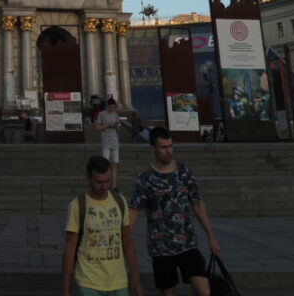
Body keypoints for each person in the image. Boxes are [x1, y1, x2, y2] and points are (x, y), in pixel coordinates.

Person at [128, 127, 219, 296]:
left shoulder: (184, 172)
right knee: (168, 292)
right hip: (160, 247)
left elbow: (197, 204)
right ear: (152, 148)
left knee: (204, 290)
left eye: (170, 146)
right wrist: (125, 238)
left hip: (187, 244)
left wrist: (211, 236)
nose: (168, 151)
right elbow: (133, 210)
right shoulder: (144, 179)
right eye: (163, 147)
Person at [61, 154, 143, 296]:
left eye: (108, 181)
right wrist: (65, 289)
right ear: (89, 179)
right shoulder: (77, 205)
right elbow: (70, 247)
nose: (104, 186)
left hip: (118, 281)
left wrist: (135, 277)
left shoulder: (120, 201)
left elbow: (127, 240)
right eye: (99, 182)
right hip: (88, 281)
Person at [96, 98, 125, 188]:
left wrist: (117, 126)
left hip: (115, 142)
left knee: (115, 164)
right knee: (105, 164)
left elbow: (119, 126)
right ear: (107, 106)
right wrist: (108, 125)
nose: (112, 109)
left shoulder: (115, 115)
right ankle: (105, 184)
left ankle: (114, 186)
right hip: (106, 142)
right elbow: (97, 128)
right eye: (110, 107)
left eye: (113, 107)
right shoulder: (101, 114)